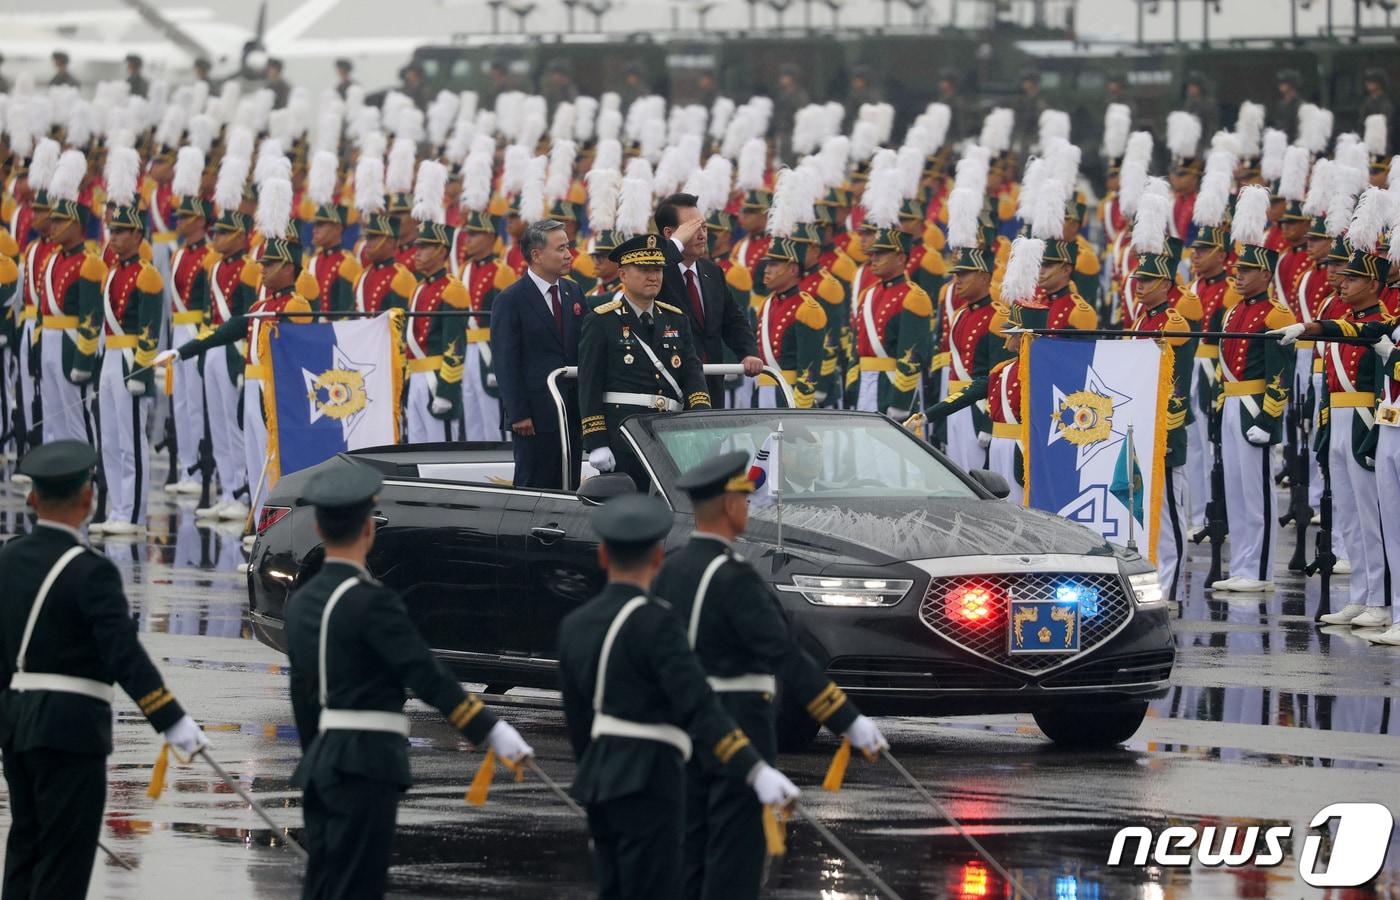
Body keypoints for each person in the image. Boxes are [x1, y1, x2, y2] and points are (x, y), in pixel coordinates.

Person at [285, 460, 532, 900]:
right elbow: (425, 672)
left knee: (324, 885)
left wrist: (317, 756)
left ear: (320, 529)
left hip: (320, 764)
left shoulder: (301, 604)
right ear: (369, 529)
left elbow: (303, 697)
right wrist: (489, 729)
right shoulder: (372, 601)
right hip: (367, 767)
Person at [655, 452, 888, 900]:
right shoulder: (736, 577)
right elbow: (786, 655)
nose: (749, 505)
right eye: (744, 496)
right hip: (738, 724)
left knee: (691, 853)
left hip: (683, 726)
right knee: (736, 858)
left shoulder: (671, 568)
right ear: (727, 506)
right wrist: (848, 720)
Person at [557, 493, 800, 900]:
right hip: (652, 781)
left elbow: (578, 721)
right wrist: (754, 769)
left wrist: (594, 777)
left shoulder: (574, 625)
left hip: (599, 782)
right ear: (657, 557)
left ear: (602, 555)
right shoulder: (658, 622)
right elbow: (699, 707)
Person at [0, 441, 208, 900]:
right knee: (62, 867)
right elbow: (123, 656)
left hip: (17, 727)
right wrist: (172, 720)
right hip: (71, 732)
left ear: (33, 499)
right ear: (88, 498)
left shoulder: (8, 561)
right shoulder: (92, 573)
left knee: (24, 855)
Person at [1210, 185, 1294, 595]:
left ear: (1265, 274)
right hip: (1232, 404)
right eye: (1237, 272)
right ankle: (1241, 564)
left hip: (1255, 405)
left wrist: (1268, 417)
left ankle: (1259, 571)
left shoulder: (1275, 313)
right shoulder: (1233, 310)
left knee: (1257, 491)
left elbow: (1281, 373)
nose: (1238, 277)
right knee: (1236, 492)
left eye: (1245, 272)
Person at [579, 234, 710, 490]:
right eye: (644, 269)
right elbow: (589, 385)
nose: (653, 276)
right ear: (623, 275)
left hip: (670, 435)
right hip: (624, 436)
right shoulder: (602, 320)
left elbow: (692, 374)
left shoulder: (675, 319)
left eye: (658, 270)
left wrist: (699, 418)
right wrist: (596, 441)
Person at [93, 170, 163, 537]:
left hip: (130, 359)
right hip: (110, 357)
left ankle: (133, 514)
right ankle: (118, 507)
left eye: (121, 231)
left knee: (132, 439)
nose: (114, 236)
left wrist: (140, 372)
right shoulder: (113, 271)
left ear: (137, 234)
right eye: (113, 230)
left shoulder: (147, 275)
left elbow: (150, 332)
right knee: (111, 438)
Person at [491, 218, 585, 489]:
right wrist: (518, 413)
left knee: (570, 484)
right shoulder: (511, 300)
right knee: (535, 487)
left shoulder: (573, 291)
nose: (568, 255)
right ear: (536, 254)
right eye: (560, 249)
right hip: (534, 417)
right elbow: (506, 362)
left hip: (571, 412)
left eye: (568, 247)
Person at [654, 194, 762, 405]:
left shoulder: (712, 272)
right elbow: (656, 267)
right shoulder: (658, 272)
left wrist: (748, 353)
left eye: (704, 227)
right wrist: (674, 246)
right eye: (693, 228)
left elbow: (733, 320)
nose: (702, 234)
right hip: (672, 386)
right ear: (670, 234)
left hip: (711, 385)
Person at [456, 207, 517, 441]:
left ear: (491, 237)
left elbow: (507, 322)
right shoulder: (464, 269)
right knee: (471, 412)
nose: (468, 239)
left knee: (493, 416)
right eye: (468, 233)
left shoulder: (502, 272)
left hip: (489, 348)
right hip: (468, 348)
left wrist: (499, 362)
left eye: (475, 234)